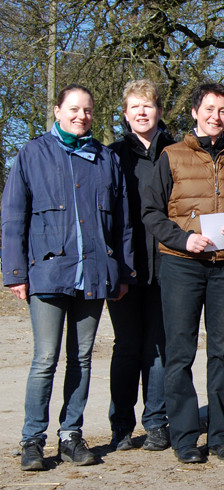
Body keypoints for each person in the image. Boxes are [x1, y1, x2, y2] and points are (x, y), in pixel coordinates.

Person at [2, 84, 134, 471]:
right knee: (45, 358)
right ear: (57, 111)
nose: (81, 116)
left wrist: (123, 270)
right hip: (47, 272)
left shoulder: (106, 158)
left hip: (93, 272)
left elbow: (123, 221)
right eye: (74, 109)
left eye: (88, 110)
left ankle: (70, 435)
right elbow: (13, 217)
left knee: (81, 358)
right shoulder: (32, 154)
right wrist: (15, 272)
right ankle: (32, 438)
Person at [141, 82, 224, 464]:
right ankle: (184, 437)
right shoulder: (171, 156)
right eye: (210, 109)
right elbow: (151, 213)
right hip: (182, 266)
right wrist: (183, 240)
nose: (216, 117)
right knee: (179, 354)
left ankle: (220, 437)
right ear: (195, 111)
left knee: (223, 353)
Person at [106, 79, 174, 453]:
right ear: (126, 113)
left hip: (169, 266)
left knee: (159, 348)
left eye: (148, 106)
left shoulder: (177, 151)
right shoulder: (112, 156)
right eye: (135, 106)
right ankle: (121, 425)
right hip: (125, 267)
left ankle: (157, 423)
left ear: (159, 111)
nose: (142, 112)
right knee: (127, 347)